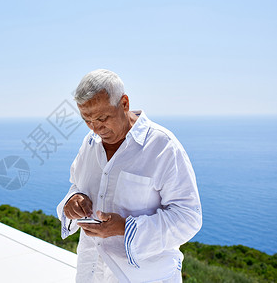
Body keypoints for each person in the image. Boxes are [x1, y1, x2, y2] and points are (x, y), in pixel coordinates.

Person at [56, 69, 202, 283]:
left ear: (124, 103)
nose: (96, 128)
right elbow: (76, 185)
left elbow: (189, 217)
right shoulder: (89, 143)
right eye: (87, 120)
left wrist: (125, 228)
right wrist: (73, 200)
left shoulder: (163, 146)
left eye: (102, 118)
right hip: (91, 273)